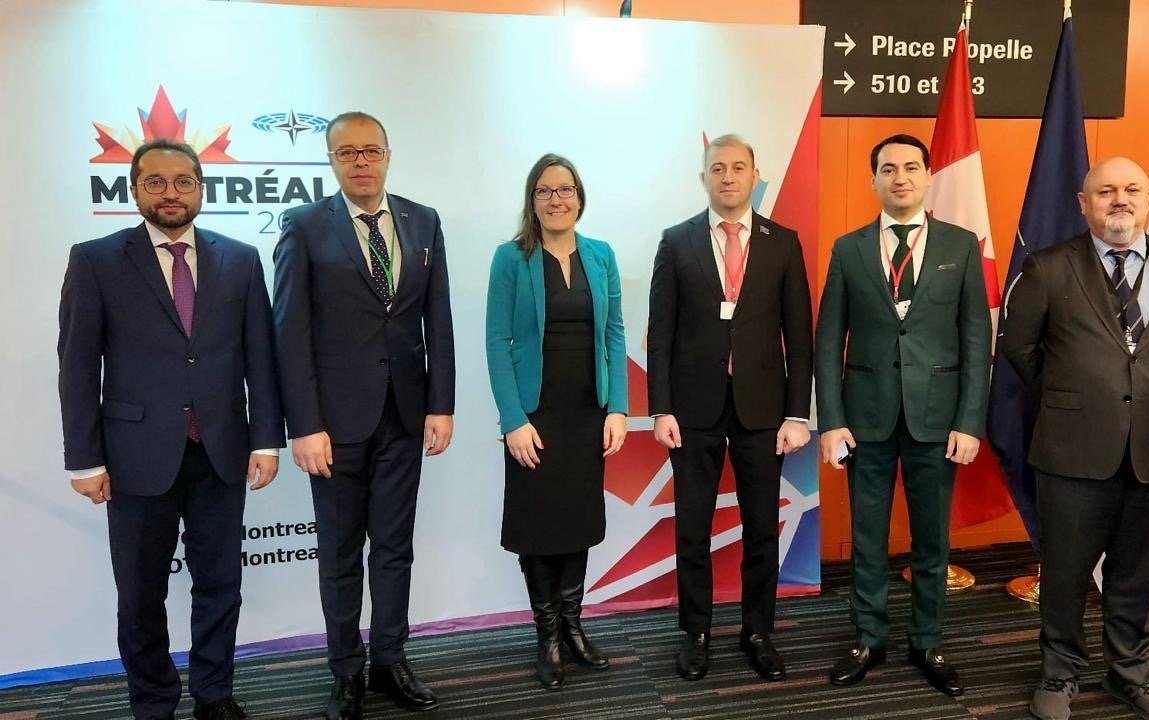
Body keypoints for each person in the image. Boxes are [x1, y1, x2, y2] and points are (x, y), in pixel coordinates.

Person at [57, 139, 283, 720]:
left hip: (222, 452)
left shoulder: (240, 259)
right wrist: (84, 459)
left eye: (183, 181)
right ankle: (154, 702)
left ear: (201, 188)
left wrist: (265, 439)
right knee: (140, 594)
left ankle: (214, 694)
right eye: (154, 182)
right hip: (133, 457)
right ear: (134, 190)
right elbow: (77, 365)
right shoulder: (96, 260)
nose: (170, 193)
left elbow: (260, 356)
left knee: (220, 586)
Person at [1001, 157, 1149, 720]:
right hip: (1072, 449)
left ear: (1148, 200)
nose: (1120, 199)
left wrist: (1134, 394)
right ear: (1084, 203)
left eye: (1132, 189)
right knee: (1065, 572)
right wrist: (1076, 395)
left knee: (1136, 572)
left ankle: (1131, 674)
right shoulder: (1048, 266)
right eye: (1106, 190)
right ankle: (1059, 672)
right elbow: (1020, 348)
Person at [273, 112, 455, 719]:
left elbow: (438, 320)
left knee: (395, 549)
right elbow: (289, 332)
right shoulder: (303, 226)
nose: (360, 161)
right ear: (330, 160)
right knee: (341, 554)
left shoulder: (423, 221)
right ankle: (346, 671)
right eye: (347, 152)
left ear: (387, 155)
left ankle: (390, 661)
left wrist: (441, 403)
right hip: (333, 425)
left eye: (371, 150)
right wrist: (303, 424)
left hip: (405, 415)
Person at [815, 134, 990, 697]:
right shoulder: (849, 249)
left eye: (911, 167)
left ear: (927, 175)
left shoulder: (961, 246)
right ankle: (868, 638)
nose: (900, 177)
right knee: (867, 538)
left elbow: (976, 339)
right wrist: (831, 420)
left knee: (931, 542)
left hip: (937, 420)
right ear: (874, 180)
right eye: (888, 169)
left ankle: (927, 640)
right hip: (864, 419)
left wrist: (969, 421)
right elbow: (828, 340)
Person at [647, 134, 813, 683]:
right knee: (692, 528)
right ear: (704, 178)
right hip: (692, 410)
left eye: (738, 167)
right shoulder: (677, 241)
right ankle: (695, 632)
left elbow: (800, 336)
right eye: (717, 168)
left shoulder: (782, 242)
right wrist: (661, 409)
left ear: (754, 176)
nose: (728, 177)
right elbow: (660, 334)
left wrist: (797, 414)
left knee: (761, 528)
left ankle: (757, 631)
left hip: (763, 412)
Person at [484, 153, 628, 691]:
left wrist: (618, 408)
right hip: (534, 415)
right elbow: (496, 340)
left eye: (565, 189)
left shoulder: (601, 255)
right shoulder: (511, 257)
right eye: (544, 191)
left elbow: (614, 332)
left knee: (577, 523)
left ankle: (573, 626)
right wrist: (512, 419)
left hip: (587, 413)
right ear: (532, 199)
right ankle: (546, 634)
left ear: (579, 196)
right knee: (539, 526)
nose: (556, 199)